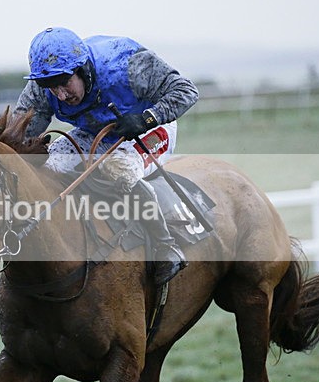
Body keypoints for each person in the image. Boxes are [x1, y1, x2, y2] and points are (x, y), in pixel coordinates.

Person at [13, 27, 199, 285]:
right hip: (96, 132)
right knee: (49, 168)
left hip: (150, 127)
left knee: (118, 171)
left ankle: (166, 247)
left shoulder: (127, 64)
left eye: (65, 83)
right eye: (50, 87)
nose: (61, 96)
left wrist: (147, 118)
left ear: (83, 69)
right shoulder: (40, 87)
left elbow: (186, 91)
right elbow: (16, 134)